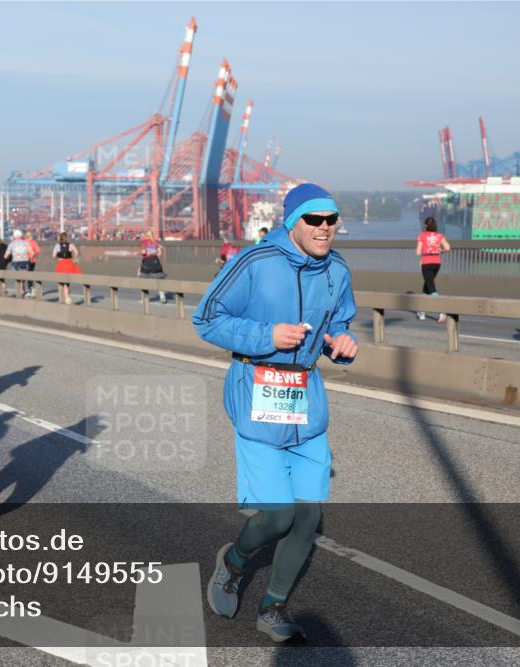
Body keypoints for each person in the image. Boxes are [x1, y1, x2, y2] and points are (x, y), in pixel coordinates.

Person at [193, 183, 358, 643]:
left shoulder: (338, 269)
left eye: (331, 219)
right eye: (314, 219)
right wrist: (267, 335)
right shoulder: (255, 261)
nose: (324, 228)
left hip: (307, 399)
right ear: (292, 222)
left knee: (306, 517)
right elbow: (206, 319)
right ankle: (234, 563)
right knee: (280, 516)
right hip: (257, 393)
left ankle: (273, 607)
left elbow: (339, 323)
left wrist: (342, 344)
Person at [415, 217, 451, 323]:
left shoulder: (422, 235)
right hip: (437, 263)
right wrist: (440, 250)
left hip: (426, 262)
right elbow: (448, 248)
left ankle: (441, 311)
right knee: (426, 287)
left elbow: (418, 252)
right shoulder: (439, 235)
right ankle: (421, 312)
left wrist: (424, 249)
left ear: (426, 225)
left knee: (431, 287)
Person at [138, 229, 167, 304]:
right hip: (155, 262)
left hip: (147, 263)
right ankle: (162, 297)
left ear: (146, 235)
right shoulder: (156, 243)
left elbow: (143, 252)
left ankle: (145, 299)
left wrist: (138, 253)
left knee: (144, 281)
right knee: (159, 280)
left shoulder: (144, 242)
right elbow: (159, 253)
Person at [52, 232, 82, 305]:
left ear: (60, 238)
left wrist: (59, 255)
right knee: (66, 282)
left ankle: (64, 297)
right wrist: (74, 258)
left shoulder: (57, 245)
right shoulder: (71, 245)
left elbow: (53, 256)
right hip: (69, 263)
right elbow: (76, 252)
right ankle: (67, 297)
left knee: (60, 282)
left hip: (61, 264)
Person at [4, 230, 32, 298]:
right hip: (25, 261)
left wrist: (5, 257)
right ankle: (23, 288)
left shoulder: (11, 243)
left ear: (14, 236)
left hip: (16, 262)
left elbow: (6, 255)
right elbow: (31, 252)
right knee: (23, 277)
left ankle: (20, 291)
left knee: (17, 278)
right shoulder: (26, 242)